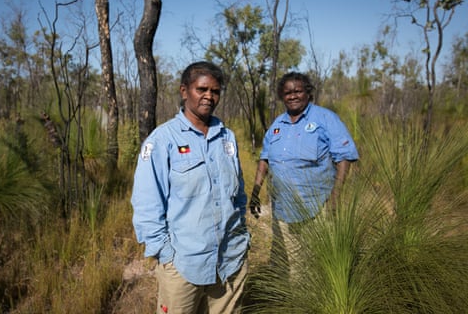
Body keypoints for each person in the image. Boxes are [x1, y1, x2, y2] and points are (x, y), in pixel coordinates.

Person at [131, 61, 250, 314]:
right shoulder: (163, 140)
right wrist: (166, 255)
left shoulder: (227, 138)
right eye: (202, 89)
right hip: (184, 265)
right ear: (184, 91)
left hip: (230, 260)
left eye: (215, 91)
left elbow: (238, 195)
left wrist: (242, 236)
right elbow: (147, 205)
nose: (209, 96)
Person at [249, 71, 359, 270]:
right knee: (284, 262)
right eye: (287, 92)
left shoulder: (325, 118)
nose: (293, 96)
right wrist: (256, 191)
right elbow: (264, 159)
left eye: (298, 91)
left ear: (308, 92)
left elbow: (344, 157)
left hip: (316, 207)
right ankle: (285, 298)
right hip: (282, 207)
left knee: (314, 264)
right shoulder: (277, 125)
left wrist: (336, 194)